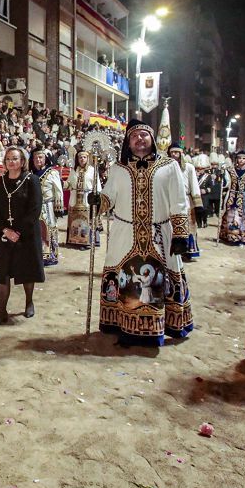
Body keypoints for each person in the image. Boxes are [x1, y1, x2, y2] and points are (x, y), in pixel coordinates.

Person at [87, 120, 193, 346]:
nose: (139, 139)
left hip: (160, 233)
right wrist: (98, 201)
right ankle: (124, 327)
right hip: (125, 234)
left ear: (152, 139)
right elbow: (108, 198)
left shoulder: (169, 166)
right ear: (128, 141)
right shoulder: (119, 168)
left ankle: (158, 329)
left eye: (144, 135)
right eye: (134, 136)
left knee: (158, 279)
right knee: (125, 277)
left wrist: (181, 234)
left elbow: (179, 201)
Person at [0, 147, 44, 326]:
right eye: (9, 159)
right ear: (4, 162)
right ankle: (2, 311)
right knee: (2, 273)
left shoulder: (32, 180)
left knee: (27, 271)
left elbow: (35, 209)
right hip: (4, 235)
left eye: (15, 158)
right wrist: (5, 230)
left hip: (26, 234)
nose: (12, 162)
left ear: (22, 161)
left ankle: (29, 301)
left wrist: (17, 231)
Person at [167, 142, 206, 260]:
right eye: (172, 152)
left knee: (188, 225)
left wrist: (198, 205)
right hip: (170, 200)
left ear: (181, 153)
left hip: (186, 200)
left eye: (176, 152)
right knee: (171, 225)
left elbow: (194, 184)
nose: (174, 155)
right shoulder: (165, 167)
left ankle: (188, 250)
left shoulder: (188, 167)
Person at [31, 148, 65, 266]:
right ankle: (38, 255)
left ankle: (51, 256)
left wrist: (58, 207)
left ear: (45, 159)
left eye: (40, 157)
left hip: (48, 206)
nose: (38, 160)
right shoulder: (31, 174)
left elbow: (58, 191)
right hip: (35, 207)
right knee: (37, 230)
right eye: (35, 158)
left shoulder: (52, 172)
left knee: (50, 229)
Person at [219, 150, 245, 246]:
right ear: (236, 159)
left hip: (243, 197)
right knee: (229, 215)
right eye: (239, 158)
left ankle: (242, 237)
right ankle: (228, 236)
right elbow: (226, 183)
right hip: (231, 195)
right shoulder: (230, 170)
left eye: (243, 158)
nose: (241, 160)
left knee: (243, 216)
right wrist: (222, 177)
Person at [66, 148, 100, 249]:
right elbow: (69, 184)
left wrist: (96, 197)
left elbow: (97, 185)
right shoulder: (73, 170)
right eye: (80, 157)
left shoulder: (93, 170)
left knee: (87, 220)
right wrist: (63, 183)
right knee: (75, 221)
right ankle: (75, 241)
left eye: (84, 157)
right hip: (75, 198)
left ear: (87, 158)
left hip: (87, 198)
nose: (82, 159)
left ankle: (87, 242)